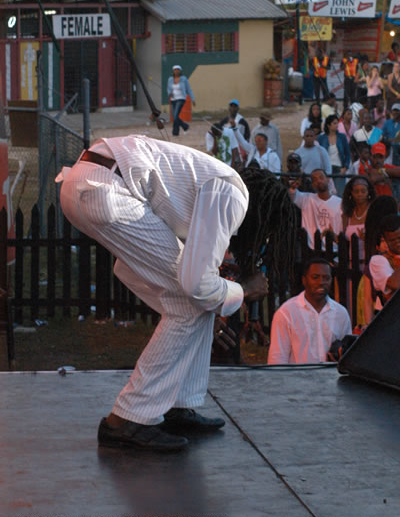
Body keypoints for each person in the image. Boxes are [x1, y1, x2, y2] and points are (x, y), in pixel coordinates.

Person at [56, 135, 268, 452]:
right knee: (188, 302)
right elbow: (197, 285)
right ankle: (129, 417)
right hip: (107, 189)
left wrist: (213, 301)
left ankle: (176, 403)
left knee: (189, 302)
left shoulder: (211, 181)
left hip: (87, 182)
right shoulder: (232, 194)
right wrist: (245, 291)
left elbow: (194, 279)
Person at [268, 258, 351, 364]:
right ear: (304, 280)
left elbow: (348, 353)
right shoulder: (286, 313)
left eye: (326, 278)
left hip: (331, 378)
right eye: (315, 277)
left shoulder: (341, 313)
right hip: (298, 379)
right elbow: (277, 358)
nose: (321, 282)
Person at [369, 213, 400, 311]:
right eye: (392, 240)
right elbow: (396, 284)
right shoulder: (378, 261)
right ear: (384, 239)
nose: (398, 243)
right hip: (394, 316)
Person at [289, 168, 343, 248]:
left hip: (334, 248)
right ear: (312, 184)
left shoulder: (340, 203)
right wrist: (293, 187)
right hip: (311, 248)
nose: (318, 181)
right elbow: (293, 195)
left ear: (328, 180)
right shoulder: (306, 199)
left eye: (321, 177)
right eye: (315, 180)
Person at [342, 176, 376, 265]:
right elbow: (343, 239)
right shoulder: (347, 214)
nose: (360, 194)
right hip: (351, 262)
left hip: (370, 261)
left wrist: (367, 238)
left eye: (363, 191)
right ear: (351, 193)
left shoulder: (374, 211)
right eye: (356, 191)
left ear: (368, 192)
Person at [318, 115, 350, 197]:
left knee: (340, 195)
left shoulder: (342, 137)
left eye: (337, 123)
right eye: (334, 123)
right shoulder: (321, 138)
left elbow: (347, 153)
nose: (337, 125)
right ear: (328, 125)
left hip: (339, 169)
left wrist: (345, 167)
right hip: (326, 170)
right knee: (326, 194)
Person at [167, 65, 195, 136]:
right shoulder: (170, 79)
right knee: (174, 117)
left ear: (180, 71)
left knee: (176, 115)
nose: (176, 71)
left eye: (178, 70)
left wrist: (193, 99)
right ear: (173, 71)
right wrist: (169, 94)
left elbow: (188, 89)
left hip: (181, 98)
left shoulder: (184, 79)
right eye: (175, 70)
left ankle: (175, 132)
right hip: (173, 99)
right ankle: (185, 126)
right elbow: (168, 89)